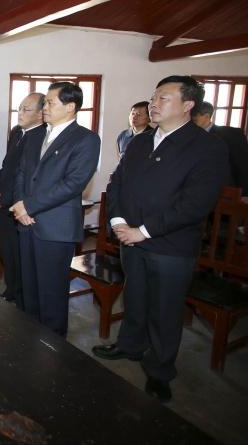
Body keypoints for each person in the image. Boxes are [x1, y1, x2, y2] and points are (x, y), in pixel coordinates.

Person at [93, 76, 228, 403]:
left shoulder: (206, 147)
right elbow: (117, 182)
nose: (153, 104)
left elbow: (195, 204)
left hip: (170, 246)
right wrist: (118, 221)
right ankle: (130, 346)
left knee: (165, 310)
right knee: (135, 296)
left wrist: (143, 231)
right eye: (153, 97)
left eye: (163, 98)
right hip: (129, 236)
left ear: (188, 104)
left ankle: (160, 370)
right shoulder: (140, 141)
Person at [11, 82, 101, 337]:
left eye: (50, 102)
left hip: (56, 226)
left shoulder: (85, 139)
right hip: (26, 221)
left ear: (70, 106)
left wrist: (29, 206)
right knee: (29, 287)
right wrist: (21, 207)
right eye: (45, 102)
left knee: (51, 291)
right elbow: (21, 174)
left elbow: (73, 183)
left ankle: (53, 346)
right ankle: (30, 336)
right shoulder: (36, 136)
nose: (45, 107)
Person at [0, 92, 46, 307]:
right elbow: (7, 165)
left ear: (41, 114)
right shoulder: (16, 132)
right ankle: (11, 289)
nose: (20, 113)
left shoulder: (43, 136)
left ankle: (23, 298)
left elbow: (31, 176)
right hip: (6, 202)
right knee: (7, 250)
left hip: (22, 205)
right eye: (19, 108)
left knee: (22, 253)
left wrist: (20, 201)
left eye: (26, 109)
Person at [192, 101, 248, 196]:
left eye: (194, 120)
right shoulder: (190, 135)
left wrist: (245, 194)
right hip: (198, 190)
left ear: (206, 117)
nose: (192, 124)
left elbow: (242, 164)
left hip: (225, 192)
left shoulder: (231, 135)